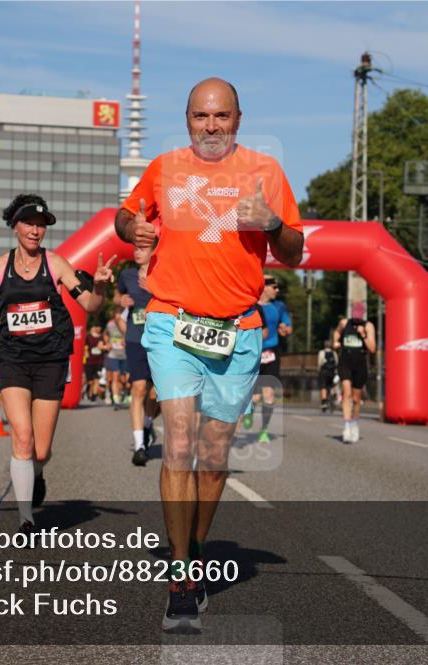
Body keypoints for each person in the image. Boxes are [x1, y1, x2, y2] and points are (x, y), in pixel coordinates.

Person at [114, 77, 304, 632]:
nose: (211, 125)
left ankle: (193, 553)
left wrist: (271, 223)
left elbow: (295, 251)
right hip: (172, 321)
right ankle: (180, 578)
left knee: (214, 457)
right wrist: (134, 226)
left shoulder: (265, 171)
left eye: (221, 116)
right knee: (178, 443)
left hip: (237, 331)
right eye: (201, 116)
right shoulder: (164, 168)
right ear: (188, 119)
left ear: (238, 119)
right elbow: (125, 217)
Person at [0, 194, 114, 533]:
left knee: (41, 451)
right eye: (29, 223)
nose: (35, 230)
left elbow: (90, 305)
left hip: (50, 360)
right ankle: (26, 519)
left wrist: (101, 287)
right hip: (13, 359)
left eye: (41, 225)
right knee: (22, 438)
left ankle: (37, 473)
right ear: (14, 226)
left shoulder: (56, 263)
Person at [117, 244, 161, 466]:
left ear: (153, 251)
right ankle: (139, 446)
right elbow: (117, 298)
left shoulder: (163, 272)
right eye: (135, 248)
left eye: (142, 248)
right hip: (135, 338)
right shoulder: (127, 275)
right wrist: (120, 300)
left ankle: (147, 424)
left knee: (155, 395)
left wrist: (156, 290)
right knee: (139, 388)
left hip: (160, 339)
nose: (137, 252)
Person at [242, 275, 292, 442]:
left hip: (271, 353)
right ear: (264, 287)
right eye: (274, 287)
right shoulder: (249, 305)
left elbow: (288, 327)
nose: (277, 290)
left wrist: (285, 329)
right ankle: (249, 411)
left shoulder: (279, 306)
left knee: (269, 395)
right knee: (255, 397)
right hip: (253, 353)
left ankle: (264, 430)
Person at [332, 302, 376, 443]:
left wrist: (363, 335)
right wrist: (335, 342)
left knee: (356, 399)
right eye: (354, 316)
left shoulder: (368, 326)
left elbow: (372, 348)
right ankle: (346, 427)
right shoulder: (344, 323)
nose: (356, 319)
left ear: (363, 315)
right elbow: (337, 332)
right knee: (346, 393)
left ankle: (354, 423)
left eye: (358, 316)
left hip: (360, 364)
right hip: (345, 362)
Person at [104, 310, 127, 409]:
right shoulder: (110, 324)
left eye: (120, 316)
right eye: (116, 315)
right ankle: (116, 399)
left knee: (124, 379)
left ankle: (123, 393)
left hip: (124, 355)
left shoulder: (126, 324)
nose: (118, 318)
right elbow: (106, 334)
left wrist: (125, 340)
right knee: (115, 376)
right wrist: (107, 343)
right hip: (112, 354)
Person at [83, 324, 108, 401]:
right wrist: (86, 352)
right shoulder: (88, 337)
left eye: (100, 327)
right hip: (89, 361)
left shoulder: (102, 337)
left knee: (97, 378)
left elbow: (106, 346)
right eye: (97, 327)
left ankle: (94, 395)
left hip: (99, 361)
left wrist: (104, 347)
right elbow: (84, 346)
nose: (99, 328)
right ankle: (89, 392)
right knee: (90, 381)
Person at [317, 339, 338, 412]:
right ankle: (333, 396)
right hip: (332, 372)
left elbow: (319, 363)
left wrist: (319, 370)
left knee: (323, 387)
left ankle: (324, 402)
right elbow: (336, 362)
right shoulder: (334, 353)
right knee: (333, 385)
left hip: (324, 372)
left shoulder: (321, 352)